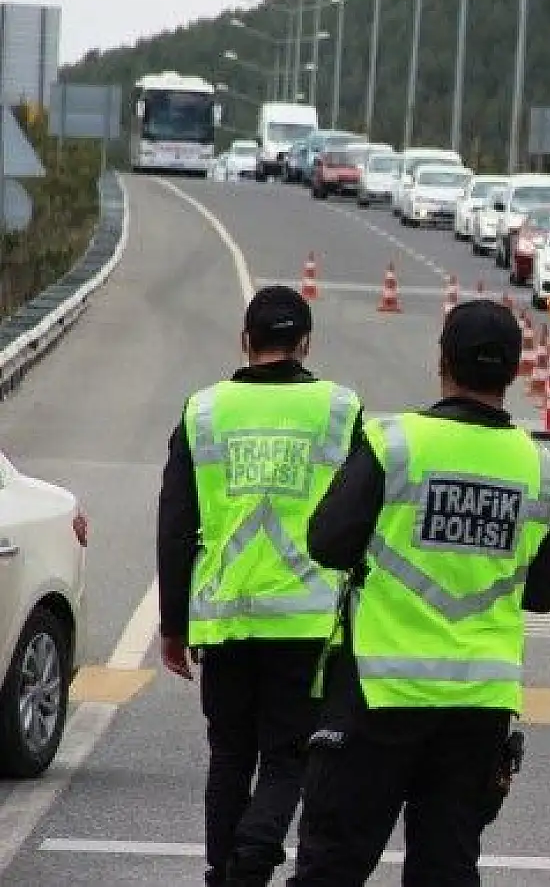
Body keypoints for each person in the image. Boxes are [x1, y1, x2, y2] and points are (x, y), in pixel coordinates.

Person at [288, 299, 550, 886]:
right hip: (478, 705)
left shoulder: (394, 444)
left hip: (379, 692)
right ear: (515, 373)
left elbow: (326, 542)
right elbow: (544, 594)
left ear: (441, 361)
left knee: (332, 867)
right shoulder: (545, 472)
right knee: (446, 869)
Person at [156, 285, 365, 887]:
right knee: (286, 757)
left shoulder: (202, 411)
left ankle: (221, 870)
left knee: (228, 755)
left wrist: (174, 626)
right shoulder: (340, 410)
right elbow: (360, 521)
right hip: (306, 621)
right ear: (305, 343)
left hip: (226, 618)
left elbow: (176, 527)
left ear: (245, 342)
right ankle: (253, 854)